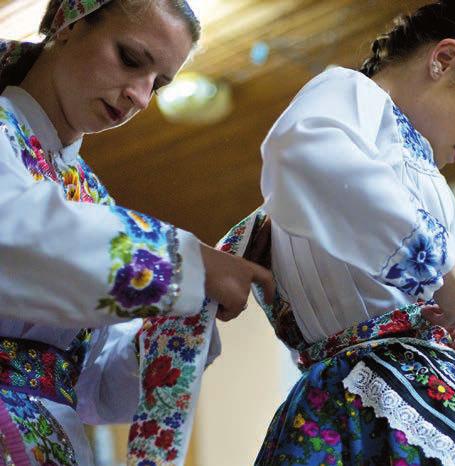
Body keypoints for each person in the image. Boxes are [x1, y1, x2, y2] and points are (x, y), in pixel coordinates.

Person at [219, 0, 455, 463]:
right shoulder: (353, 95)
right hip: (365, 398)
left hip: (390, 388)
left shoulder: (410, 160)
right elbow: (307, 154)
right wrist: (439, 265)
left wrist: (427, 328)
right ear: (443, 59)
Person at [0, 1, 274, 464]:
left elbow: (97, 384)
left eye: (159, 83)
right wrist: (187, 263)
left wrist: (184, 320)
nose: (142, 97)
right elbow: (15, 236)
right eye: (131, 59)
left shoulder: (91, 198)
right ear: (68, 24)